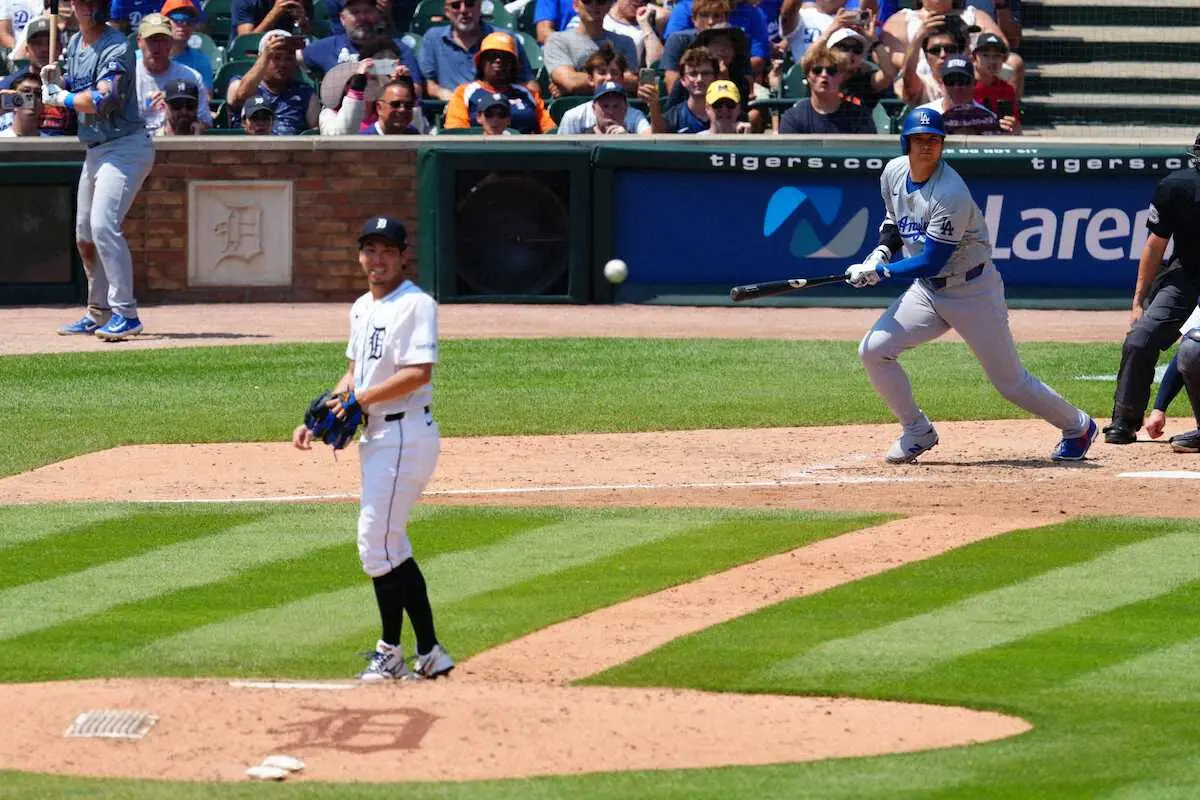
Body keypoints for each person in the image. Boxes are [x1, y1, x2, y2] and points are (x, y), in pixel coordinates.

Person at [848, 108, 1097, 463]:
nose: (926, 147)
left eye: (934, 140)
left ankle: (1078, 426)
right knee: (873, 350)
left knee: (1010, 384)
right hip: (927, 291)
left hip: (973, 291)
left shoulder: (950, 192)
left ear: (942, 145)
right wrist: (881, 252)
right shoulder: (894, 172)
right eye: (919, 139)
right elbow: (894, 220)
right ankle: (917, 430)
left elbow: (933, 258)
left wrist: (883, 273)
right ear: (906, 142)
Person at [292, 215, 455, 683]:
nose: (377, 259)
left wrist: (359, 400)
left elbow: (418, 373)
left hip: (405, 436)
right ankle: (429, 653)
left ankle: (390, 652)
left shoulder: (416, 304)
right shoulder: (362, 307)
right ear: (360, 255)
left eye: (387, 250)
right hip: (379, 437)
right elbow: (353, 372)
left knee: (374, 546)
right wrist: (317, 417)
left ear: (403, 256)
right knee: (392, 544)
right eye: (370, 249)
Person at [48, 0, 155, 341]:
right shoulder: (76, 44)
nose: (82, 6)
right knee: (84, 235)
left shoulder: (118, 46)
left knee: (103, 225)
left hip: (125, 146)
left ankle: (126, 313)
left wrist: (61, 96)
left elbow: (100, 100)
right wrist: (56, 79)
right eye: (79, 1)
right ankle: (98, 311)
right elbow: (76, 88)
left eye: (89, 1)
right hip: (94, 149)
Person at [1104, 134, 1200, 446]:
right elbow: (1155, 246)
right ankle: (1125, 420)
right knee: (1141, 338)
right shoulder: (1177, 187)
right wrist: (1138, 302)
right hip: (1187, 274)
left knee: (1195, 346)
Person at [419, 0, 535, 101]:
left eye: (470, 3)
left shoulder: (505, 38)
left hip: (498, 111)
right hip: (450, 108)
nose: (463, 10)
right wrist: (445, 94)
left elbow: (530, 84)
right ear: (447, 11)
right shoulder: (433, 38)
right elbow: (429, 84)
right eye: (455, 5)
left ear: (479, 7)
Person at [443, 31, 553, 133]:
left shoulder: (528, 94)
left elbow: (549, 129)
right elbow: (457, 133)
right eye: (492, 55)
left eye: (505, 57)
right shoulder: (464, 92)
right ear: (481, 62)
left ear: (513, 65)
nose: (498, 60)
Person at [226, 28, 320, 134]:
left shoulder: (304, 93)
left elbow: (315, 131)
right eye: (276, 57)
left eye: (289, 59)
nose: (282, 64)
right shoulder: (238, 82)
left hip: (290, 149)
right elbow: (240, 95)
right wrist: (266, 54)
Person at [301, 0, 421, 81]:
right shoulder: (327, 46)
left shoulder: (398, 48)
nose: (362, 18)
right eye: (355, 12)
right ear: (342, 19)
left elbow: (416, 90)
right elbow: (293, 58)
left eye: (368, 11)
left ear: (378, 15)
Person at [135, 13, 212, 135]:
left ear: (171, 42)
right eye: (152, 40)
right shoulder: (128, 75)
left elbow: (204, 121)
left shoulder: (190, 77)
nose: (158, 47)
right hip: (134, 145)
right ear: (139, 41)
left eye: (163, 40)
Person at [555, 47, 661, 134]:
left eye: (614, 73)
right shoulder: (573, 117)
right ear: (591, 79)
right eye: (602, 73)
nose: (609, 77)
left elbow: (653, 142)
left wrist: (628, 139)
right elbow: (561, 155)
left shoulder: (634, 116)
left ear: (622, 79)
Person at [543, 0, 637, 97]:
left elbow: (634, 81)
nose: (594, 5)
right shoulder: (557, 40)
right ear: (575, 5)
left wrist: (579, 80)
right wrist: (617, 79)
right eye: (587, 1)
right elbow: (570, 81)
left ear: (609, 6)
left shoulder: (624, 42)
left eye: (601, 2)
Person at [778, 41, 872, 134]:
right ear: (807, 76)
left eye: (831, 71)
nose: (824, 75)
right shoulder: (793, 118)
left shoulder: (859, 116)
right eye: (817, 70)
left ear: (842, 76)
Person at [916, 53, 1018, 135]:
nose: (957, 87)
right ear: (941, 84)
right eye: (950, 80)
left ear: (974, 83)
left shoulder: (987, 118)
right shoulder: (923, 115)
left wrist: (1014, 135)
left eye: (963, 81)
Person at [161, 0, 213, 90]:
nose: (184, 24)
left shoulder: (201, 61)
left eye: (189, 20)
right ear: (164, 22)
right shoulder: (142, 58)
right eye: (177, 19)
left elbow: (206, 99)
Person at [662, 45, 715, 133]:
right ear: (683, 80)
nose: (699, 79)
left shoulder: (729, 113)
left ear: (715, 77)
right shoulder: (672, 118)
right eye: (693, 74)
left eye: (705, 73)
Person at [971, 31, 1016, 122]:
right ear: (974, 58)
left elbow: (1013, 123)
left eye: (997, 56)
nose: (992, 61)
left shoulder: (1006, 89)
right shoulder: (963, 87)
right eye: (985, 55)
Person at [231, 0, 314, 39]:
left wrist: (302, 22)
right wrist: (274, 14)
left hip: (287, 53)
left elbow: (312, 40)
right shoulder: (244, 1)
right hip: (252, 55)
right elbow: (244, 43)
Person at [0, 71, 44, 136]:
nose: (32, 97)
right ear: (12, 97)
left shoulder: (53, 143)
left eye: (37, 94)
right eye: (26, 91)